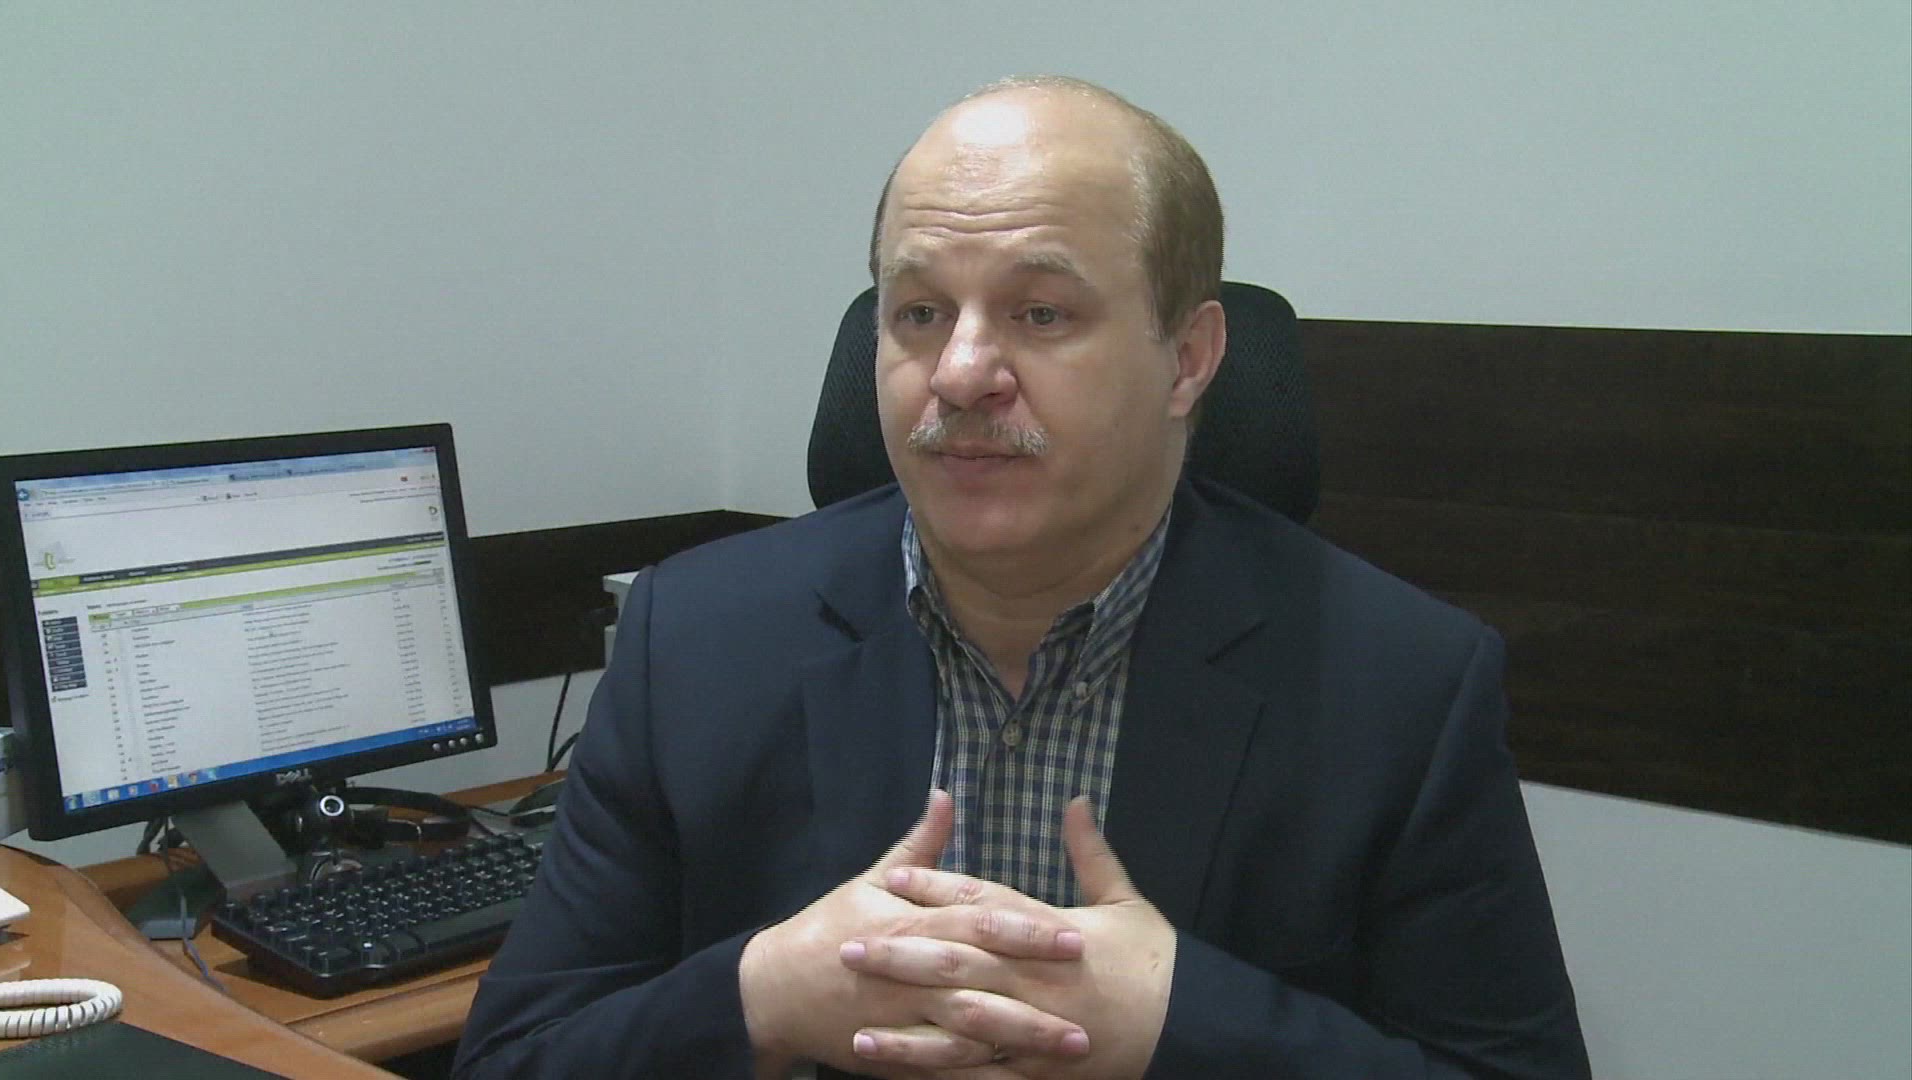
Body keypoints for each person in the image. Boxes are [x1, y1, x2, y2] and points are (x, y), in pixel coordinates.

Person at [453, 76, 1590, 1079]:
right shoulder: (694, 636)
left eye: (1041, 313)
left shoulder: (1402, 684)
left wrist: (1180, 1023)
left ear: (1188, 359)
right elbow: (513, 1058)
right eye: (919, 313)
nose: (960, 373)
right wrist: (767, 996)